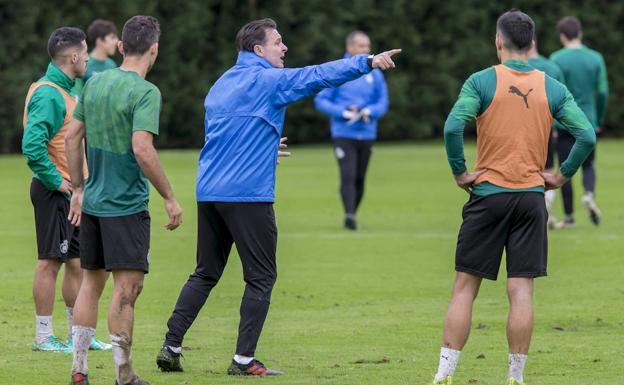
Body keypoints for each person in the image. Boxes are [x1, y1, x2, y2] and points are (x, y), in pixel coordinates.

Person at [156, 18, 400, 377]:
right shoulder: (268, 80)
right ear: (259, 50)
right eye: (278, 42)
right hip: (247, 195)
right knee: (261, 277)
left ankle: (171, 346)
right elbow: (317, 76)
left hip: (209, 193)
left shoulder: (222, 83)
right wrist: (366, 62)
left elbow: (223, 135)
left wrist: (263, 148)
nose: (284, 48)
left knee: (205, 272)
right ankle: (243, 360)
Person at [431, 9, 595, 385]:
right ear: (532, 43)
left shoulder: (481, 81)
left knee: (464, 288)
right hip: (531, 199)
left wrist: (459, 171)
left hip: (488, 195)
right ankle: (515, 378)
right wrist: (561, 175)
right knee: (521, 290)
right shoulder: (551, 86)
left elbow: (454, 125)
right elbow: (585, 135)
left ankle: (444, 375)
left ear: (498, 41)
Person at [65, 15, 183, 385]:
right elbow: (142, 147)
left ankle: (79, 369)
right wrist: (169, 196)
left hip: (94, 203)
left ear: (120, 47)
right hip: (125, 207)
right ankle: (124, 374)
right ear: (155, 49)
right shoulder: (145, 92)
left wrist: (79, 188)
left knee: (90, 283)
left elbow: (71, 138)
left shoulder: (96, 83)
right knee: (126, 290)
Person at [22, 26, 109, 354]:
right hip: (54, 192)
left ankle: (78, 334)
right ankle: (44, 337)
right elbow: (33, 146)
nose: (88, 59)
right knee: (49, 261)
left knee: (76, 262)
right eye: (86, 54)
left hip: (72, 194)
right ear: (74, 57)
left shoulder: (67, 90)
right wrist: (57, 181)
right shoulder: (48, 92)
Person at [314, 31, 389, 230]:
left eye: (368, 46)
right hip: (343, 133)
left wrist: (369, 111)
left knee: (360, 177)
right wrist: (344, 112)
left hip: (367, 133)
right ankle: (349, 216)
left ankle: (352, 213)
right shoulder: (338, 71)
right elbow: (321, 100)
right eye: (361, 46)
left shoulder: (376, 74)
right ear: (349, 48)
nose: (366, 50)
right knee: (348, 174)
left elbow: (382, 102)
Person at [551, 16, 608, 228]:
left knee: (565, 168)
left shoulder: (556, 58)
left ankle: (568, 217)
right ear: (580, 33)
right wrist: (598, 118)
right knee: (589, 164)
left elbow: (554, 93)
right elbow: (602, 92)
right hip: (588, 121)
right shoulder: (596, 58)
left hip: (564, 122)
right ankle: (589, 194)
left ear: (562, 36)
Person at [527, 34, 564, 227]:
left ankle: (533, 211)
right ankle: (546, 204)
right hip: (547, 127)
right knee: (548, 169)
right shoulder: (552, 67)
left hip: (522, 128)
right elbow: (562, 100)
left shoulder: (512, 68)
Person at [72, 19, 119, 97]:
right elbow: (77, 96)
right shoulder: (83, 63)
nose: (116, 41)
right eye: (112, 37)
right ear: (99, 41)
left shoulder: (112, 65)